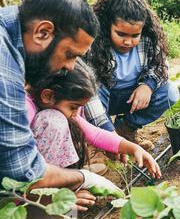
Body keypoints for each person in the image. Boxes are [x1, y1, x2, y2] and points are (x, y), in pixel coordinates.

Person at [0, 0, 122, 219]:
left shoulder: (10, 29)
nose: (69, 67)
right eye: (69, 54)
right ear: (43, 32)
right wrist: (82, 178)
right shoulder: (4, 71)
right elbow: (24, 173)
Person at [27, 59, 162, 178]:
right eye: (73, 107)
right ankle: (55, 187)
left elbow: (95, 134)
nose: (76, 113)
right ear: (48, 96)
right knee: (54, 120)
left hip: (40, 174)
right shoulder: (25, 110)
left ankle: (62, 181)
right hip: (25, 185)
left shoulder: (57, 105)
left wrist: (134, 149)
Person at [84, 0, 178, 148]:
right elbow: (90, 92)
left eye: (135, 35)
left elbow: (161, 67)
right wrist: (108, 134)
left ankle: (126, 129)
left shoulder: (149, 40)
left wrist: (148, 86)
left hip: (132, 98)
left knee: (169, 92)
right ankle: (99, 142)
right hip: (103, 99)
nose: (128, 41)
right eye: (121, 34)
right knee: (89, 92)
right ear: (108, 26)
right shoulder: (96, 43)